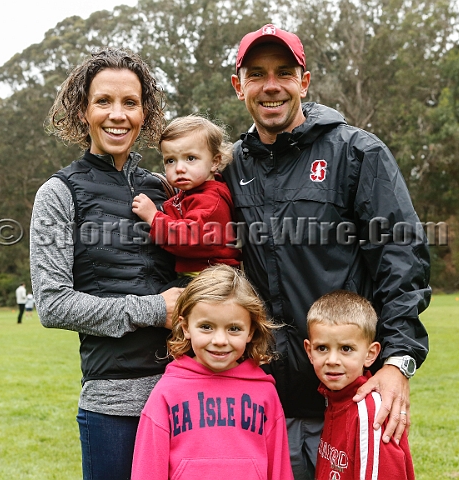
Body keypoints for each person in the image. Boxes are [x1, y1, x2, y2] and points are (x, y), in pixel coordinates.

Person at [225, 24, 431, 479]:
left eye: (284, 72)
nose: (271, 85)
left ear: (305, 80)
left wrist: (398, 361)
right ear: (239, 87)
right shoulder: (231, 164)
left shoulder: (357, 152)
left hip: (345, 402)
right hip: (264, 405)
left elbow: (401, 261)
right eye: (257, 74)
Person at [30, 47, 183, 480]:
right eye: (104, 102)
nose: (118, 115)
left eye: (130, 103)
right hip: (112, 408)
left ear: (144, 113)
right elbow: (53, 304)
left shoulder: (165, 189)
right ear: (82, 111)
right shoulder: (58, 194)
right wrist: (156, 309)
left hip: (183, 395)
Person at [131, 265, 292, 480]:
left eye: (233, 329)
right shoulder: (167, 391)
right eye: (206, 327)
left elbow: (279, 470)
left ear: (250, 332)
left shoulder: (265, 392)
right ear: (186, 327)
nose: (219, 341)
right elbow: (147, 469)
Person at [304, 290, 415, 480]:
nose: (332, 360)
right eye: (322, 348)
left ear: (371, 354)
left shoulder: (369, 411)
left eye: (346, 349)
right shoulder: (334, 397)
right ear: (309, 350)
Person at [132, 115, 240, 287]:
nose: (180, 168)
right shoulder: (191, 193)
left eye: (190, 158)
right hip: (196, 275)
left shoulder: (211, 200)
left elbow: (189, 238)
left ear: (214, 161)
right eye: (170, 160)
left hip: (210, 280)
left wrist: (153, 217)